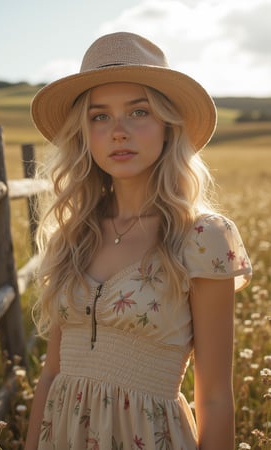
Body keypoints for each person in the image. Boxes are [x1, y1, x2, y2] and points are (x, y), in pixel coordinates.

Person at [24, 32, 252, 450]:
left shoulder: (203, 238)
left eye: (138, 112)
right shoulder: (71, 237)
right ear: (84, 133)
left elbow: (216, 397)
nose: (118, 132)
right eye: (99, 116)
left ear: (168, 125)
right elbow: (51, 373)